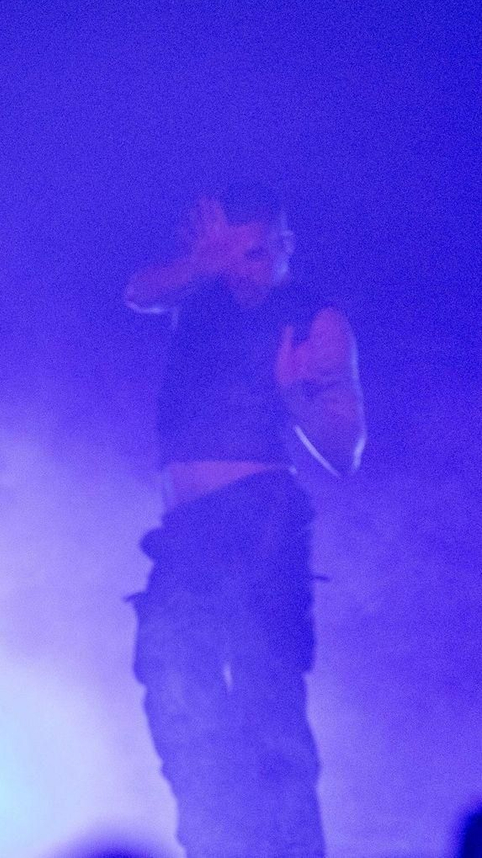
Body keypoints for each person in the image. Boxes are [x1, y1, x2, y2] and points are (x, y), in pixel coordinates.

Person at [124, 185, 366, 858]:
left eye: (263, 253)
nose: (253, 269)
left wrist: (297, 396)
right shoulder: (196, 295)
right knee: (176, 692)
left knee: (269, 711)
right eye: (236, 255)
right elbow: (138, 292)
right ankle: (217, 843)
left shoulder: (312, 317)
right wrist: (202, 264)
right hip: (185, 534)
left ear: (286, 248)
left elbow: (346, 450)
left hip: (260, 524)